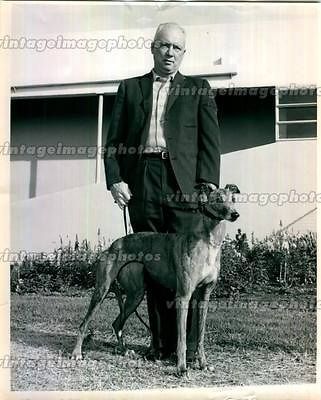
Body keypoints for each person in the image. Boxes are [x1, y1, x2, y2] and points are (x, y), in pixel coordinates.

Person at [104, 22, 220, 360]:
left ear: (184, 53)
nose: (170, 53)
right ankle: (160, 346)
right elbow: (113, 143)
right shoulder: (130, 88)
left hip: (184, 187)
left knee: (188, 266)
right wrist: (116, 180)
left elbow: (210, 143)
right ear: (153, 47)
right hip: (143, 180)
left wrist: (208, 187)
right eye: (164, 45)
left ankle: (189, 348)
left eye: (177, 48)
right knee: (154, 265)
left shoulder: (198, 89)